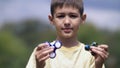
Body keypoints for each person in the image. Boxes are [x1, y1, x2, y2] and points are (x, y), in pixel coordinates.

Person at [26, 0, 109, 68]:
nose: (67, 22)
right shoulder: (42, 53)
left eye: (73, 16)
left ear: (82, 19)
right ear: (51, 19)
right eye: (60, 16)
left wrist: (98, 66)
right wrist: (39, 66)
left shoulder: (91, 55)